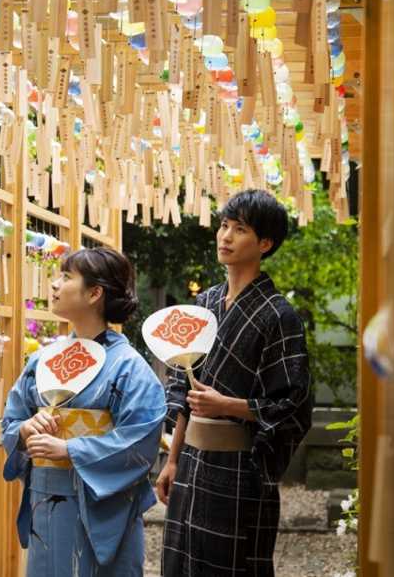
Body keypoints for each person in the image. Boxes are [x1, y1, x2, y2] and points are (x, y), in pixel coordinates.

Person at [156, 189, 313, 576]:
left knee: (232, 565)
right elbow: (181, 390)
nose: (224, 236)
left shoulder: (280, 315)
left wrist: (229, 406)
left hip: (241, 468)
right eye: (224, 225)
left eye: (239, 229)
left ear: (264, 243)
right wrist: (172, 460)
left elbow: (293, 403)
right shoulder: (204, 304)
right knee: (180, 561)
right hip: (190, 461)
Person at [1, 247, 166, 576]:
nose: (54, 285)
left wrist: (69, 449)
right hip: (45, 501)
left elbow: (141, 438)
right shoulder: (43, 359)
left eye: (65, 277)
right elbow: (13, 416)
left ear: (94, 293)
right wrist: (25, 429)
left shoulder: (128, 366)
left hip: (100, 505)